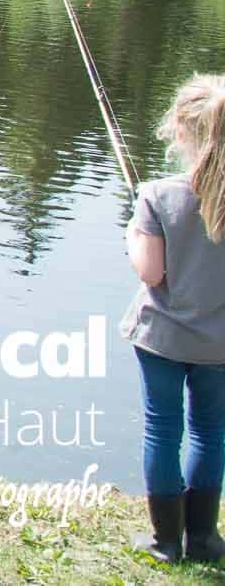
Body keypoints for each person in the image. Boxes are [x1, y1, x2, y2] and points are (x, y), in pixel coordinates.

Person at [122, 74, 225, 563]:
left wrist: (132, 232)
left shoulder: (157, 196)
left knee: (162, 431)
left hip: (163, 340)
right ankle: (204, 539)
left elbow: (150, 271)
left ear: (181, 133)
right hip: (221, 346)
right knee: (210, 432)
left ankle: (166, 542)